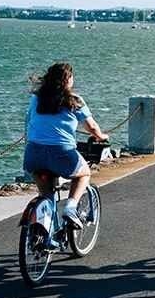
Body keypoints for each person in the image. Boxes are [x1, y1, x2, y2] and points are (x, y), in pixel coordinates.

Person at [24, 62, 108, 228]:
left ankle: (43, 229)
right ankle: (70, 207)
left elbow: (29, 121)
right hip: (61, 152)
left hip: (33, 154)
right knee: (83, 173)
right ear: (67, 80)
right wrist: (101, 136)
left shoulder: (37, 99)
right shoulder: (75, 100)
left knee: (46, 196)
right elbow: (91, 127)